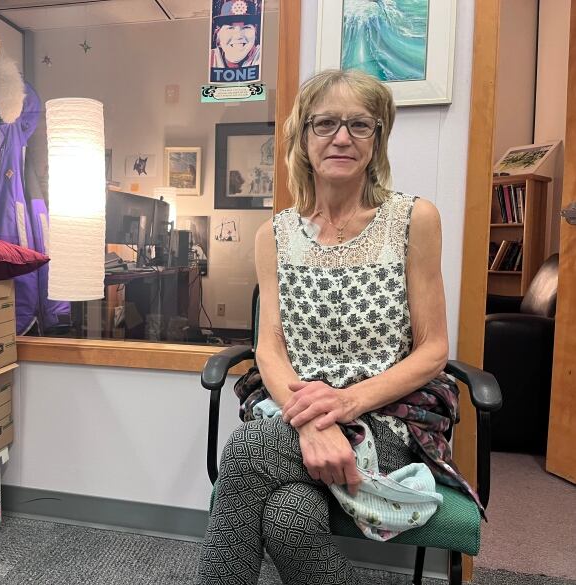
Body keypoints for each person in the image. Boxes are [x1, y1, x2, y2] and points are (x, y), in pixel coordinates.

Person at [197, 69, 482, 584]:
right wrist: (310, 419)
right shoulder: (274, 234)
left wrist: (347, 403)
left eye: (360, 124)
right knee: (289, 520)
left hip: (389, 413)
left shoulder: (414, 219)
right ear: (303, 139)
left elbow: (434, 349)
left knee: (246, 451)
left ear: (378, 138)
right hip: (298, 413)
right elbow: (271, 352)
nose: (342, 137)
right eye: (324, 123)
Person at [209, 0, 262, 71]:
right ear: (218, 35)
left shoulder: (263, 56)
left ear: (255, 33)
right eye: (230, 28)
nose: (238, 35)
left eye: (246, 27)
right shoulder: (209, 58)